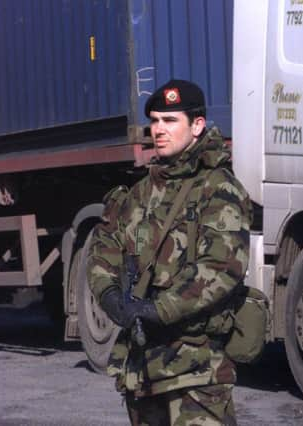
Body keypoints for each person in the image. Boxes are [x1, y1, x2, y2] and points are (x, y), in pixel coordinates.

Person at [87, 79, 252, 426]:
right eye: (155, 121)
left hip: (196, 370)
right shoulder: (139, 193)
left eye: (170, 120)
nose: (158, 130)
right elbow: (104, 249)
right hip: (142, 369)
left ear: (197, 126)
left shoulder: (218, 189)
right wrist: (112, 297)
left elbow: (222, 268)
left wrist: (157, 309)